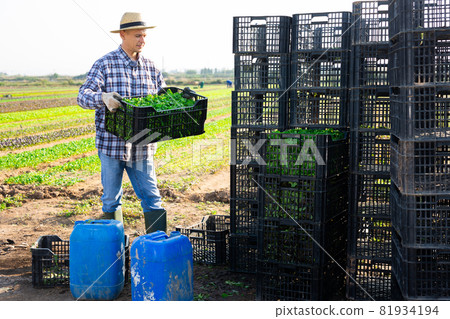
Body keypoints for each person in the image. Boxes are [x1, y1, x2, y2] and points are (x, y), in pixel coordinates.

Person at [77, 12, 166, 234]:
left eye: (144, 36)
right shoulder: (105, 64)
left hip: (143, 147)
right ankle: (113, 251)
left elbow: (164, 98)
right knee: (110, 200)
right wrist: (103, 98)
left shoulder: (151, 68)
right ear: (123, 35)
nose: (142, 40)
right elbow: (82, 96)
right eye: (138, 35)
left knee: (152, 198)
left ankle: (156, 249)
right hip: (112, 146)